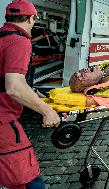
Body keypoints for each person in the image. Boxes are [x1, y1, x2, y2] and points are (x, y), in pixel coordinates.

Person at [0, 0, 60, 188]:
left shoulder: (2, 37)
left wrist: (32, 94)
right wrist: (47, 111)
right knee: (28, 180)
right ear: (32, 18)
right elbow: (14, 87)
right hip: (3, 120)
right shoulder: (20, 41)